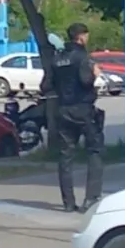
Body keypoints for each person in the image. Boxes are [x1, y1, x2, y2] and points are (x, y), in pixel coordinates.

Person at [42, 22, 103, 212]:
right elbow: (85, 81)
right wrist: (95, 74)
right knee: (94, 150)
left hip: (63, 110)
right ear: (81, 37)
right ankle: (91, 197)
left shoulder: (57, 59)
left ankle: (68, 202)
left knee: (66, 155)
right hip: (83, 109)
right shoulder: (83, 57)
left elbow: (45, 86)